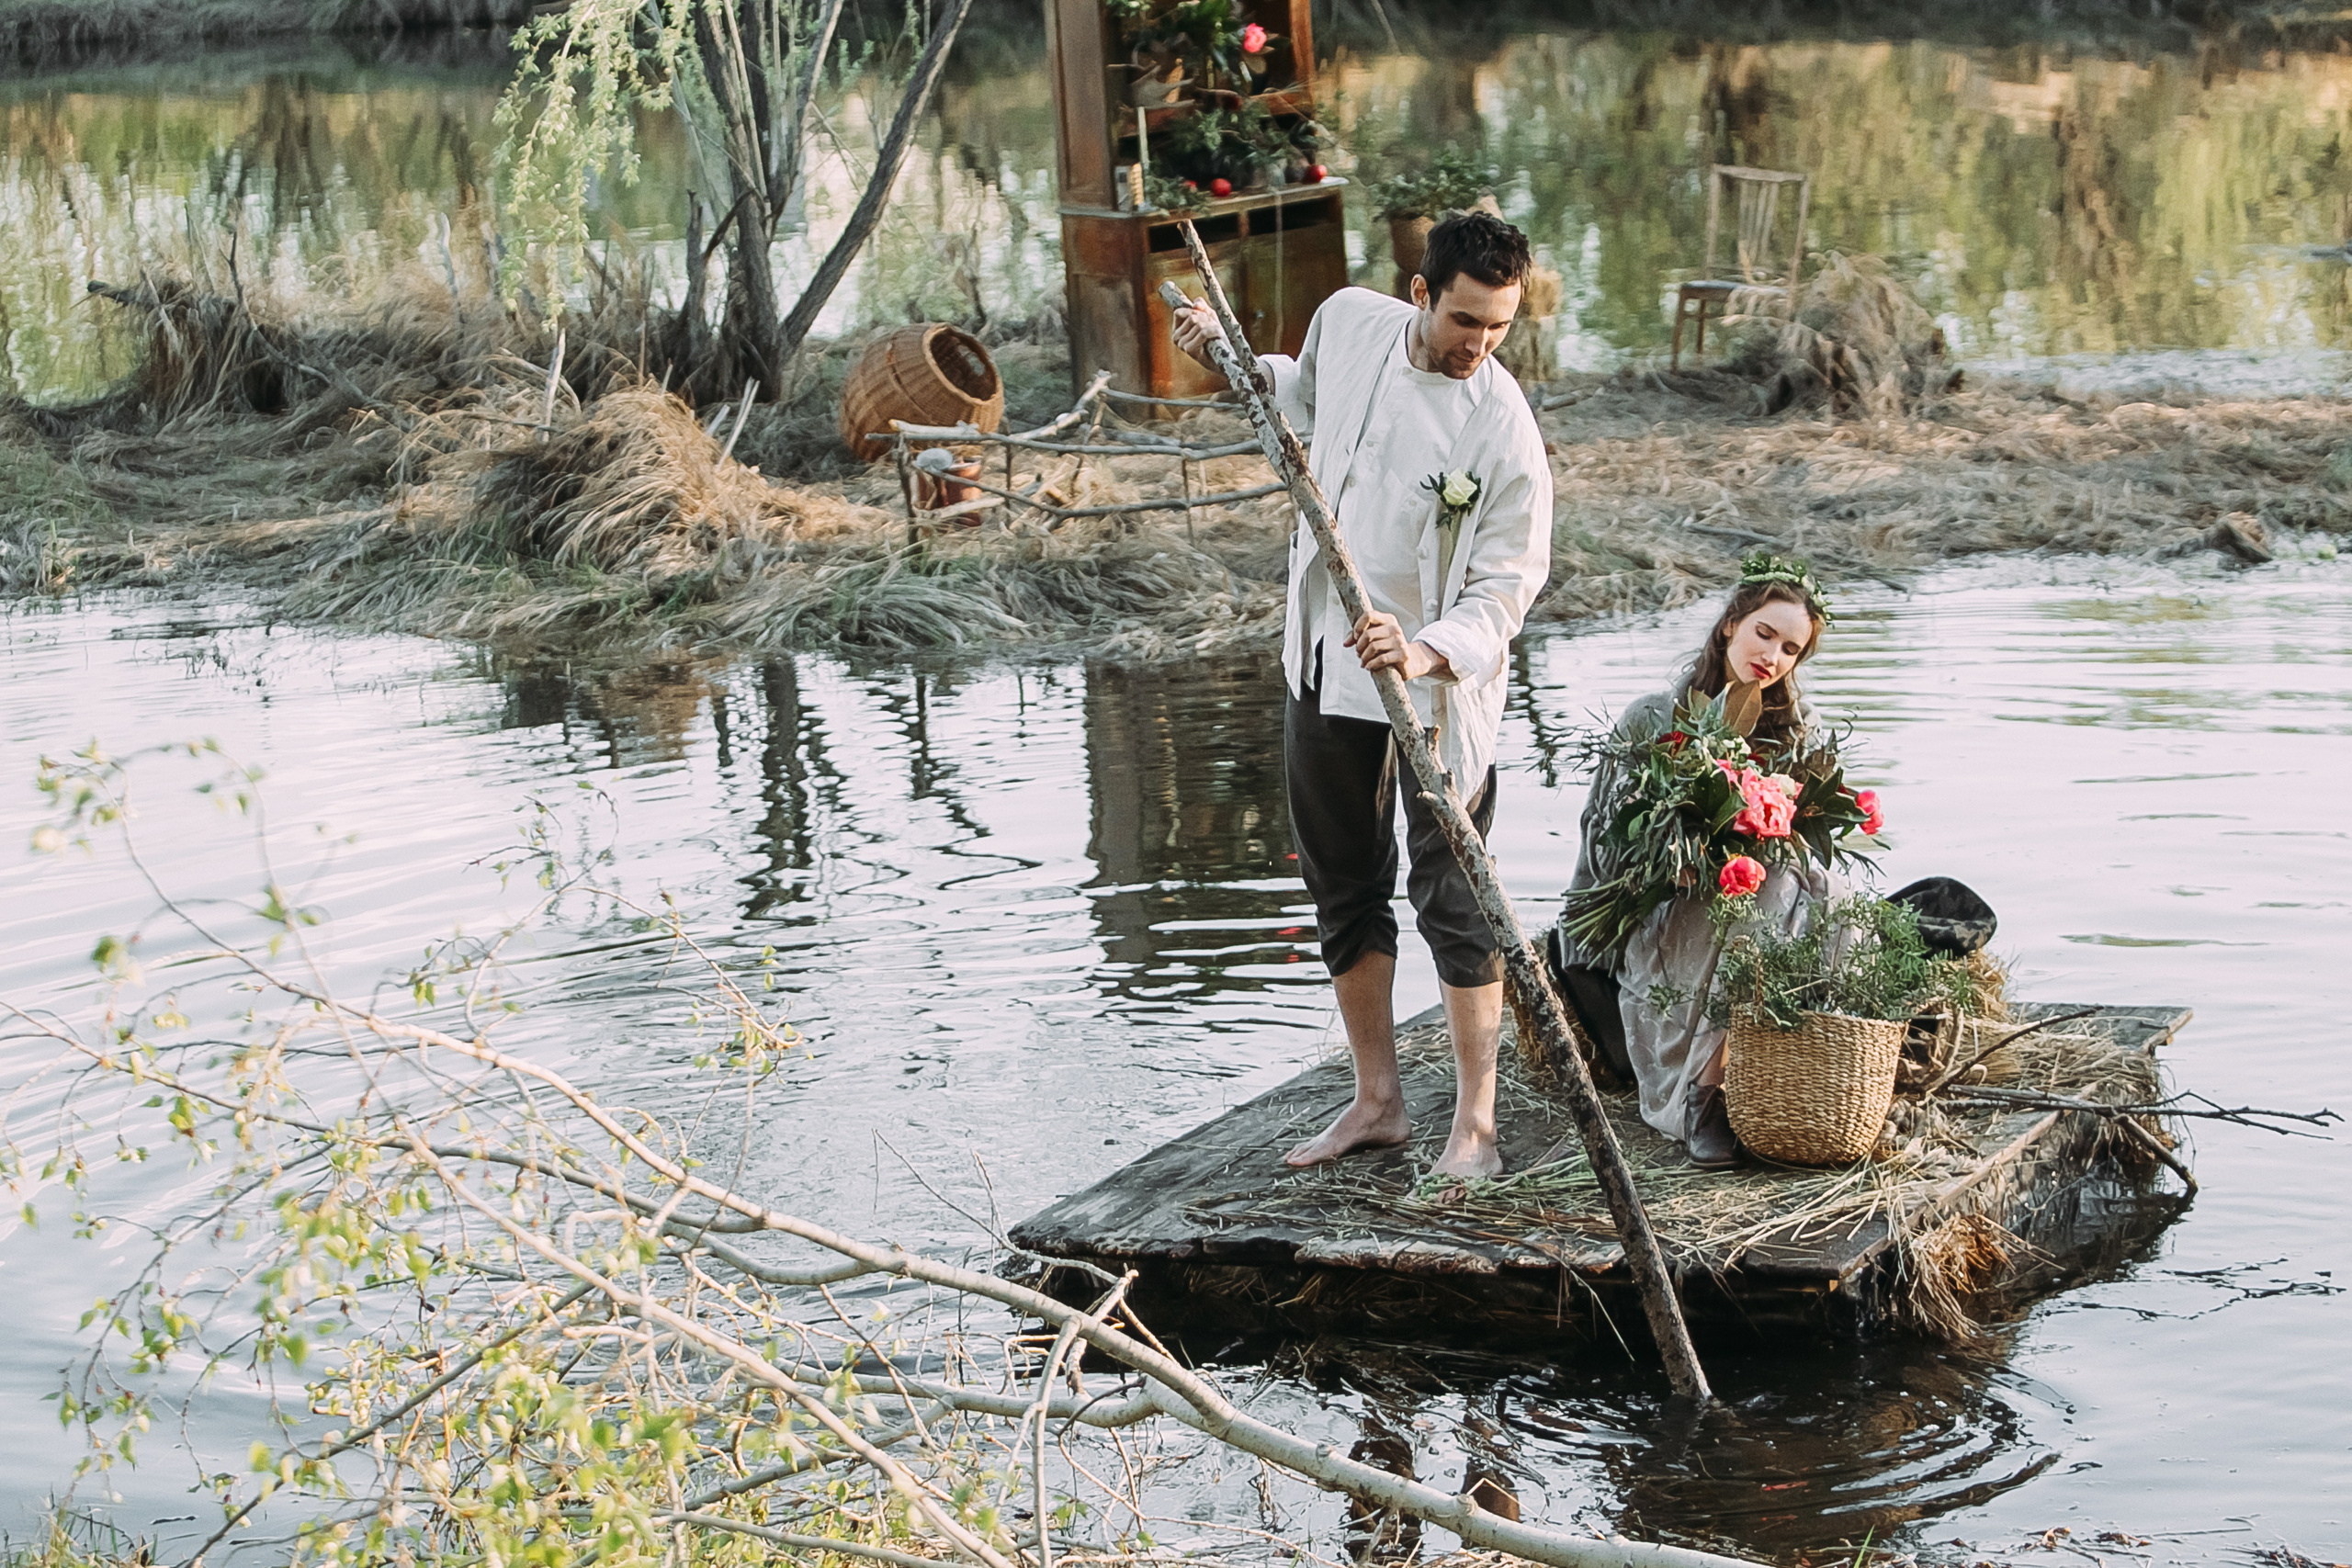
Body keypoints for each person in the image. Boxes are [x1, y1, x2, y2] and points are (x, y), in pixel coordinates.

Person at [1171, 211, 1554, 1179]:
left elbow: (1506, 587)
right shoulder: (1347, 320)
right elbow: (1310, 399)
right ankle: (1377, 1102)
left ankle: (1474, 1129)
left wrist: (1422, 650)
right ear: (1419, 293)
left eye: (1499, 326)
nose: (1479, 344)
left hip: (1435, 691)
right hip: (1324, 657)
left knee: (1454, 897)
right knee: (1342, 884)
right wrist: (1235, 360)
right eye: (1465, 320)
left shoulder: (1501, 425)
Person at [1555, 560, 1837, 1168]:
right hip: (1661, 904)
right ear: (1730, 624)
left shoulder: (1797, 733)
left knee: (1800, 888)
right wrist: (1675, 855)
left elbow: (1808, 839)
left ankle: (1767, 1074)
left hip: (1757, 905)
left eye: (1791, 649)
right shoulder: (1652, 718)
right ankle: (1706, 1094)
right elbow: (1605, 841)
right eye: (1765, 633)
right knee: (1764, 893)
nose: (1773, 657)